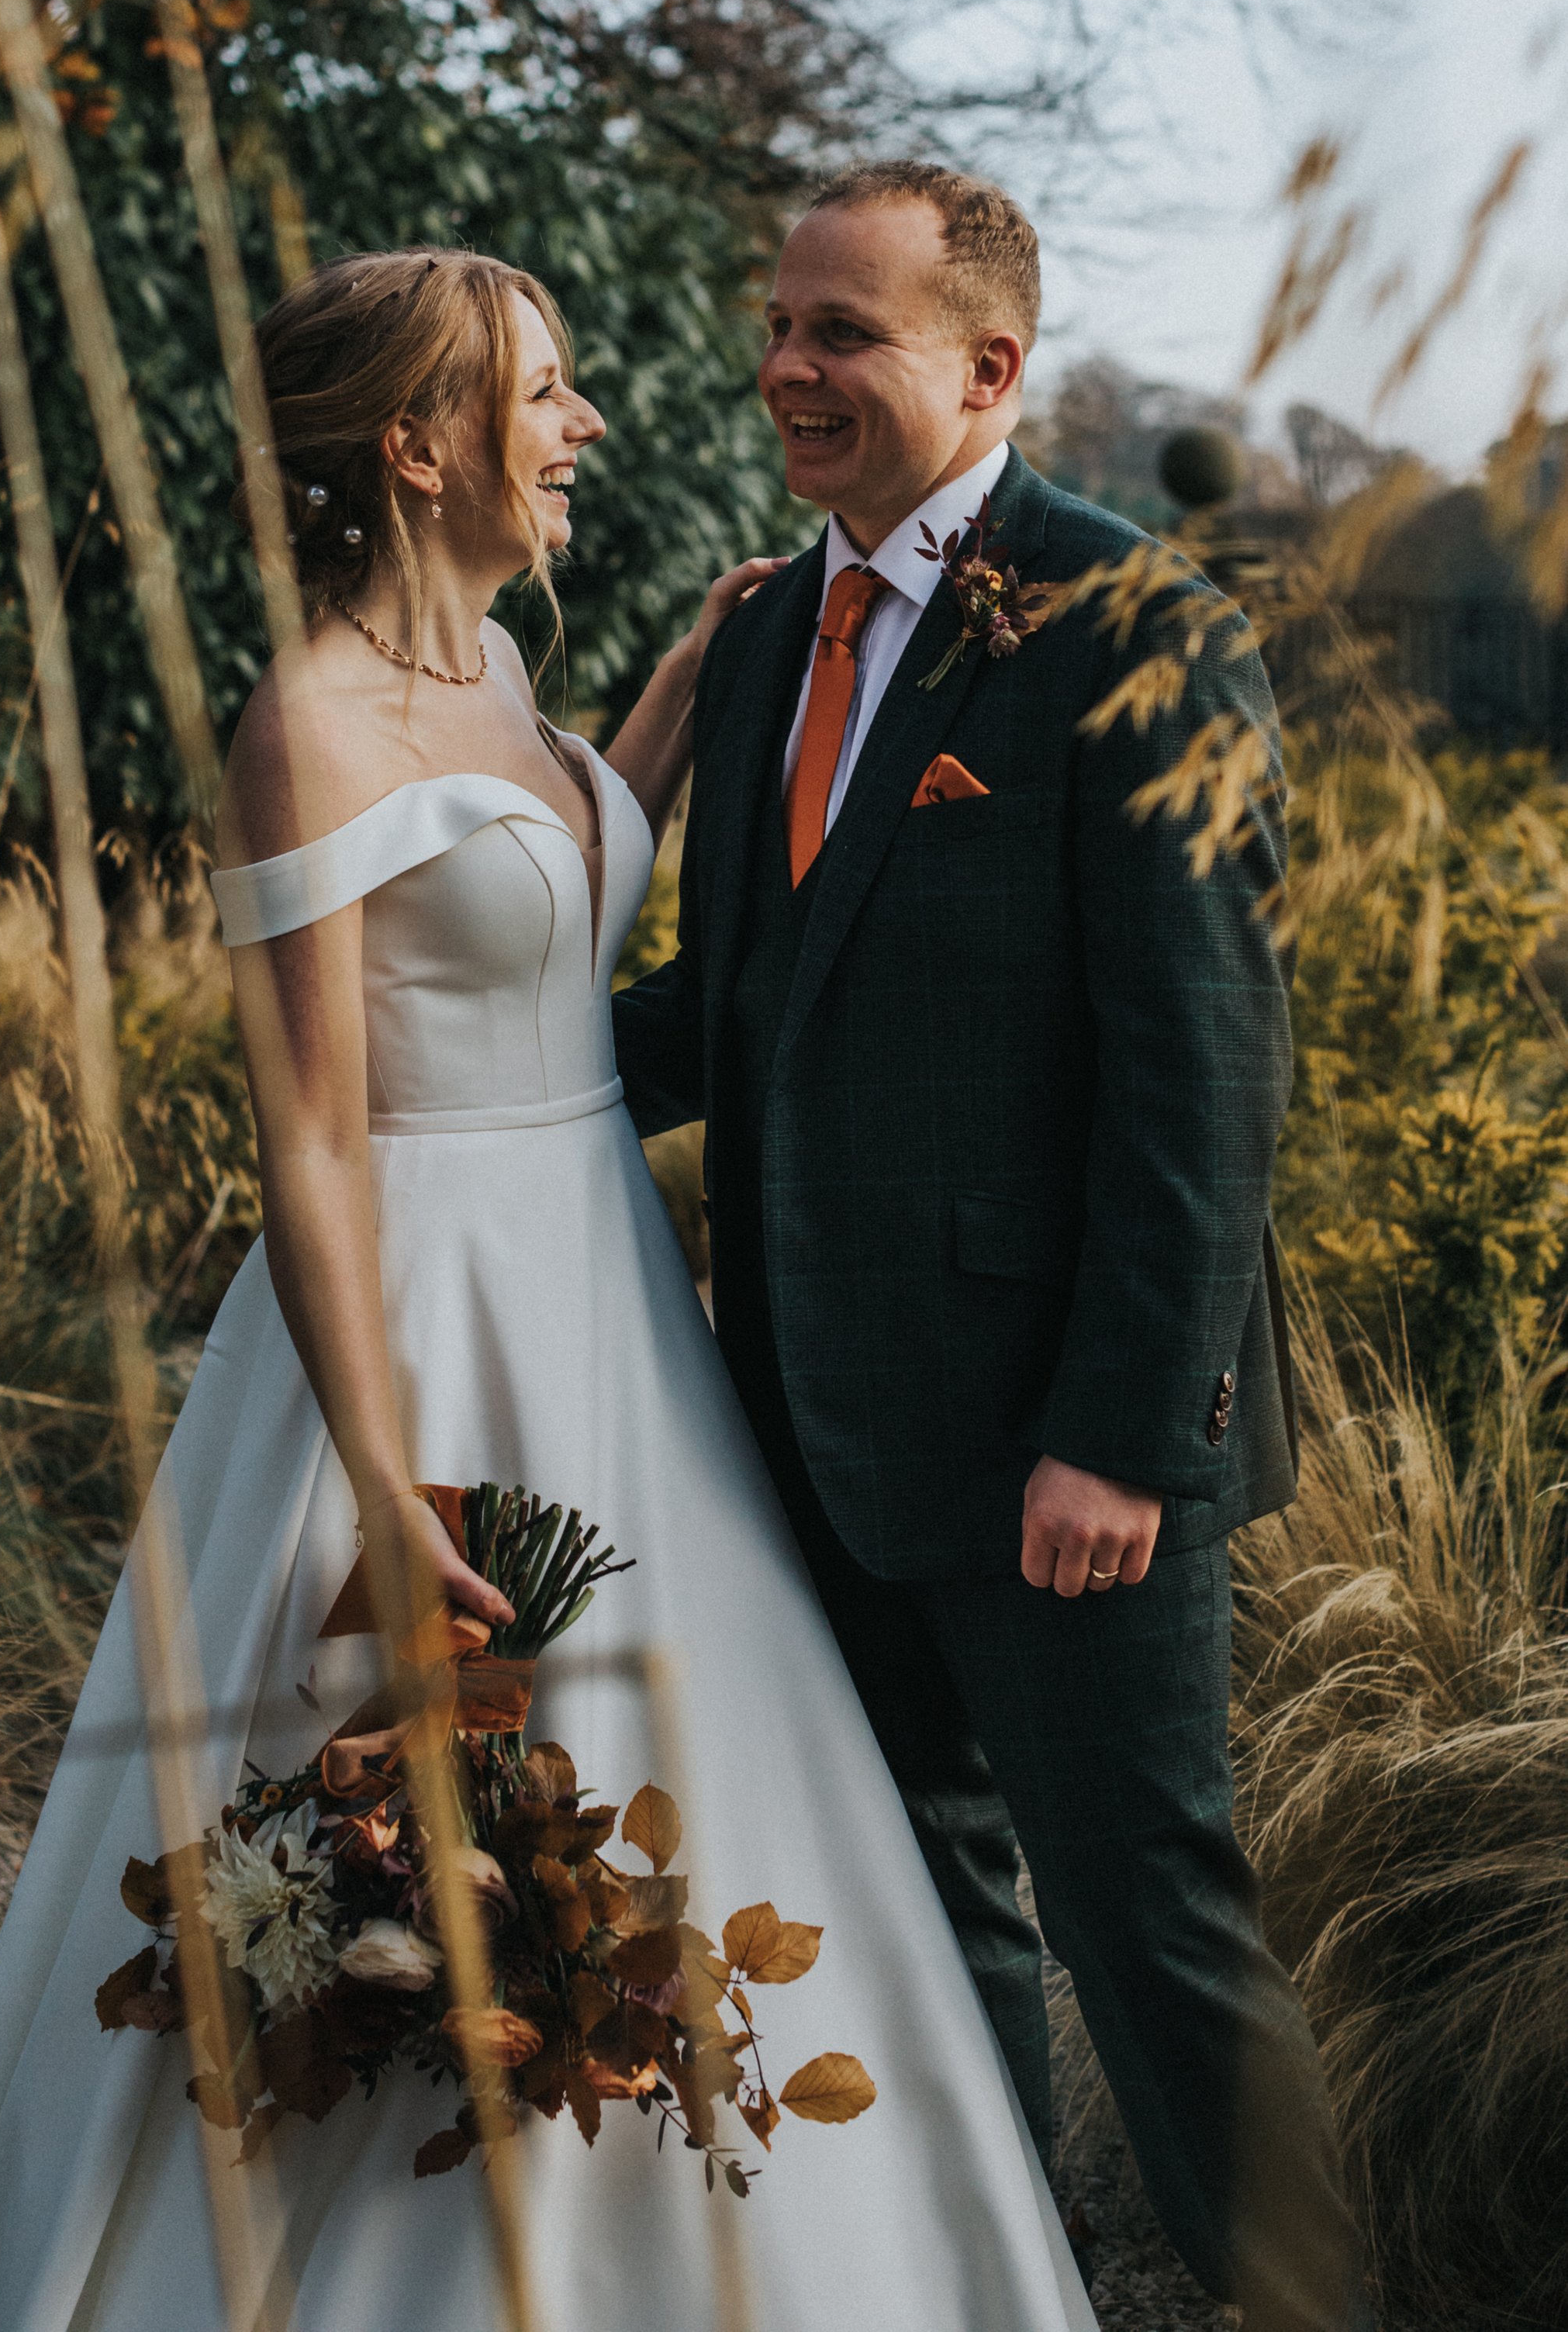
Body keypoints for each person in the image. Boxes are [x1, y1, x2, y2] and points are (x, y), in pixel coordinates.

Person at [0, 247, 1095, 2331]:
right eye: (541, 391)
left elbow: (527, 890)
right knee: (412, 1821)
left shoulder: (502, 671)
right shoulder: (304, 729)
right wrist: (386, 1477)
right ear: (415, 443)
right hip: (424, 1326)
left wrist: (682, 699)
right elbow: (315, 1141)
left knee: (672, 1780)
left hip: (604, 1290)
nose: (585, 422)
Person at [612, 162, 1372, 2332]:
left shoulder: (1142, 630)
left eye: (838, 331)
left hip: (1066, 1451)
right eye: (777, 323)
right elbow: (730, 1007)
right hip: (810, 1425)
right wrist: (464, 1086)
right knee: (923, 1908)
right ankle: (996, 2288)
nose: (785, 367)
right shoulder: (765, 630)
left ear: (986, 367)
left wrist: (1121, 1440)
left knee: (1154, 1927)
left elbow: (1201, 1077)